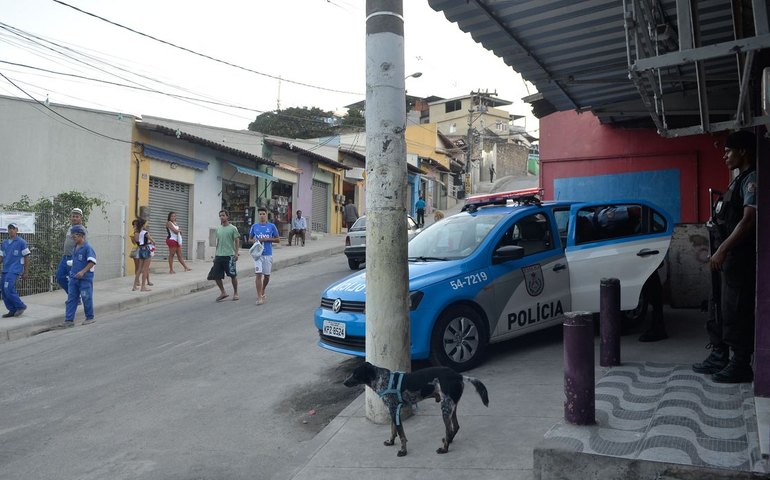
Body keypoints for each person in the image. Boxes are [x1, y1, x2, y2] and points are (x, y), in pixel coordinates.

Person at [692, 130, 757, 383]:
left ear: (743, 151)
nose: (724, 156)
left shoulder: (752, 179)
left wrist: (722, 249)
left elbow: (748, 220)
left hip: (737, 257)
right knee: (718, 305)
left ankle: (740, 363)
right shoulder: (736, 180)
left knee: (736, 309)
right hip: (725, 258)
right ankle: (720, 354)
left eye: (729, 151)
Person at [62, 225, 96, 327]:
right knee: (71, 298)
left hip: (85, 279)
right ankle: (69, 320)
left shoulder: (88, 248)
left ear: (81, 236)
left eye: (74, 236)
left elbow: (92, 262)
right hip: (74, 278)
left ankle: (90, 317)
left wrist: (83, 272)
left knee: (86, 297)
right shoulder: (75, 248)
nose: (73, 238)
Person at [249, 207, 280, 305]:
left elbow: (278, 239)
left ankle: (263, 289)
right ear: (258, 215)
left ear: (267, 215)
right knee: (258, 275)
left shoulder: (272, 226)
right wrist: (255, 241)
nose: (262, 216)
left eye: (263, 214)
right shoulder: (254, 226)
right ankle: (259, 297)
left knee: (266, 276)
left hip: (268, 254)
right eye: (260, 214)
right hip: (258, 255)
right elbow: (249, 239)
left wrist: (267, 239)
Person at [207, 210, 240, 302]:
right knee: (215, 275)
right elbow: (218, 243)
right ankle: (223, 292)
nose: (221, 217)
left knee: (232, 275)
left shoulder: (233, 228)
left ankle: (236, 292)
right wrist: (215, 255)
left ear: (227, 217)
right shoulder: (218, 229)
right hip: (219, 255)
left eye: (223, 215)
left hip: (229, 255)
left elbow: (237, 240)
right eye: (220, 216)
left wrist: (236, 253)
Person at [0, 223, 30, 318]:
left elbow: (26, 257)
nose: (11, 230)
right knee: (3, 290)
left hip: (14, 269)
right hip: (5, 269)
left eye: (13, 228)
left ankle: (20, 306)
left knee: (8, 288)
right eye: (9, 229)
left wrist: (25, 272)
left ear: (17, 230)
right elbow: (1, 257)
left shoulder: (21, 242)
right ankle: (12, 310)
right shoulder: (4, 243)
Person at [56, 207, 87, 294]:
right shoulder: (70, 228)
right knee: (60, 277)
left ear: (81, 218)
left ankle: (75, 298)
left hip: (73, 258)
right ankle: (73, 295)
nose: (74, 218)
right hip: (65, 257)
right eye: (73, 216)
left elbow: (84, 245)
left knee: (74, 279)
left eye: (77, 216)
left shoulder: (82, 230)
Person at [132, 218, 154, 292]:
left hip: (140, 250)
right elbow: (153, 241)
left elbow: (136, 242)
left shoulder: (135, 233)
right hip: (146, 250)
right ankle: (143, 287)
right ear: (143, 225)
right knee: (145, 269)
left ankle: (134, 286)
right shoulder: (145, 232)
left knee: (139, 269)